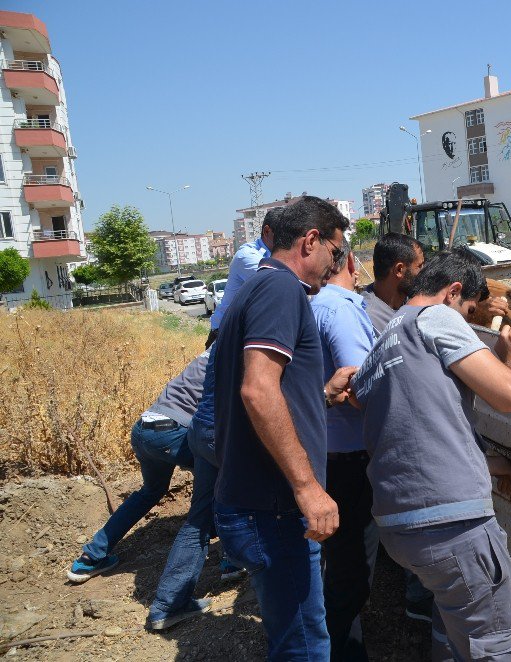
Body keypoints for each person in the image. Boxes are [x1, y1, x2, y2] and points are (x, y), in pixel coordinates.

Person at [353, 250, 511, 661]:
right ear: (453, 291)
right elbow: (510, 396)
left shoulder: (386, 336)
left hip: (400, 526)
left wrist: (491, 463)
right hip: (451, 527)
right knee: (495, 647)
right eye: (469, 309)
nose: (468, 319)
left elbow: (417, 427)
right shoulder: (437, 317)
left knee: (453, 633)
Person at [213, 196, 354, 660]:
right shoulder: (281, 290)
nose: (334, 268)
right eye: (335, 253)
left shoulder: (254, 288)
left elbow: (269, 391)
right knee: (305, 647)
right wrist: (308, 486)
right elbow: (258, 391)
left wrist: (320, 395)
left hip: (258, 503)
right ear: (310, 241)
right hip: (272, 509)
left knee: (293, 637)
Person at [68, 351, 210, 590]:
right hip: (174, 432)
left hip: (145, 427)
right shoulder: (232, 355)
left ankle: (90, 558)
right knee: (222, 481)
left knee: (151, 491)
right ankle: (232, 562)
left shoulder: (204, 356)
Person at [358, 232, 435, 621]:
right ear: (400, 269)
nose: (423, 275)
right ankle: (416, 599)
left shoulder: (399, 305)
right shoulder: (370, 316)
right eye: (419, 267)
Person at [145, 341, 244, 631]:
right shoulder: (263, 321)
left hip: (200, 430)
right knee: (247, 501)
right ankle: (235, 565)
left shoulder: (222, 337)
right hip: (224, 433)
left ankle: (167, 604)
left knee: (200, 518)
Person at [311, 247, 377, 660]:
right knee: (352, 575)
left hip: (326, 452)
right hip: (351, 459)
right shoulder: (343, 310)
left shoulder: (315, 305)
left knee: (337, 565)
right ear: (351, 263)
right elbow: (360, 386)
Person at [204, 208, 278, 349]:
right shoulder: (248, 256)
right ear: (267, 231)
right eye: (284, 234)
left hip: (245, 334)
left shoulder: (273, 255)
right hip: (225, 336)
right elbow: (277, 284)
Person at [361, 232, 424, 333]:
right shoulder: (367, 320)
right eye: (419, 266)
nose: (423, 272)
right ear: (399, 270)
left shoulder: (412, 301)